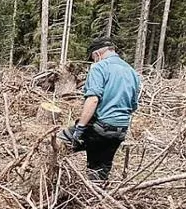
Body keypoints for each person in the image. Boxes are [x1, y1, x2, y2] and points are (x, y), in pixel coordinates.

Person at [59, 37, 141, 181]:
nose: (93, 61)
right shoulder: (132, 72)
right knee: (100, 167)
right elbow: (133, 105)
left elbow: (93, 99)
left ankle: (50, 182)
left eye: (92, 58)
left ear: (97, 54)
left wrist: (80, 128)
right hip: (121, 130)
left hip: (101, 127)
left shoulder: (99, 67)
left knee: (61, 140)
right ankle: (98, 196)